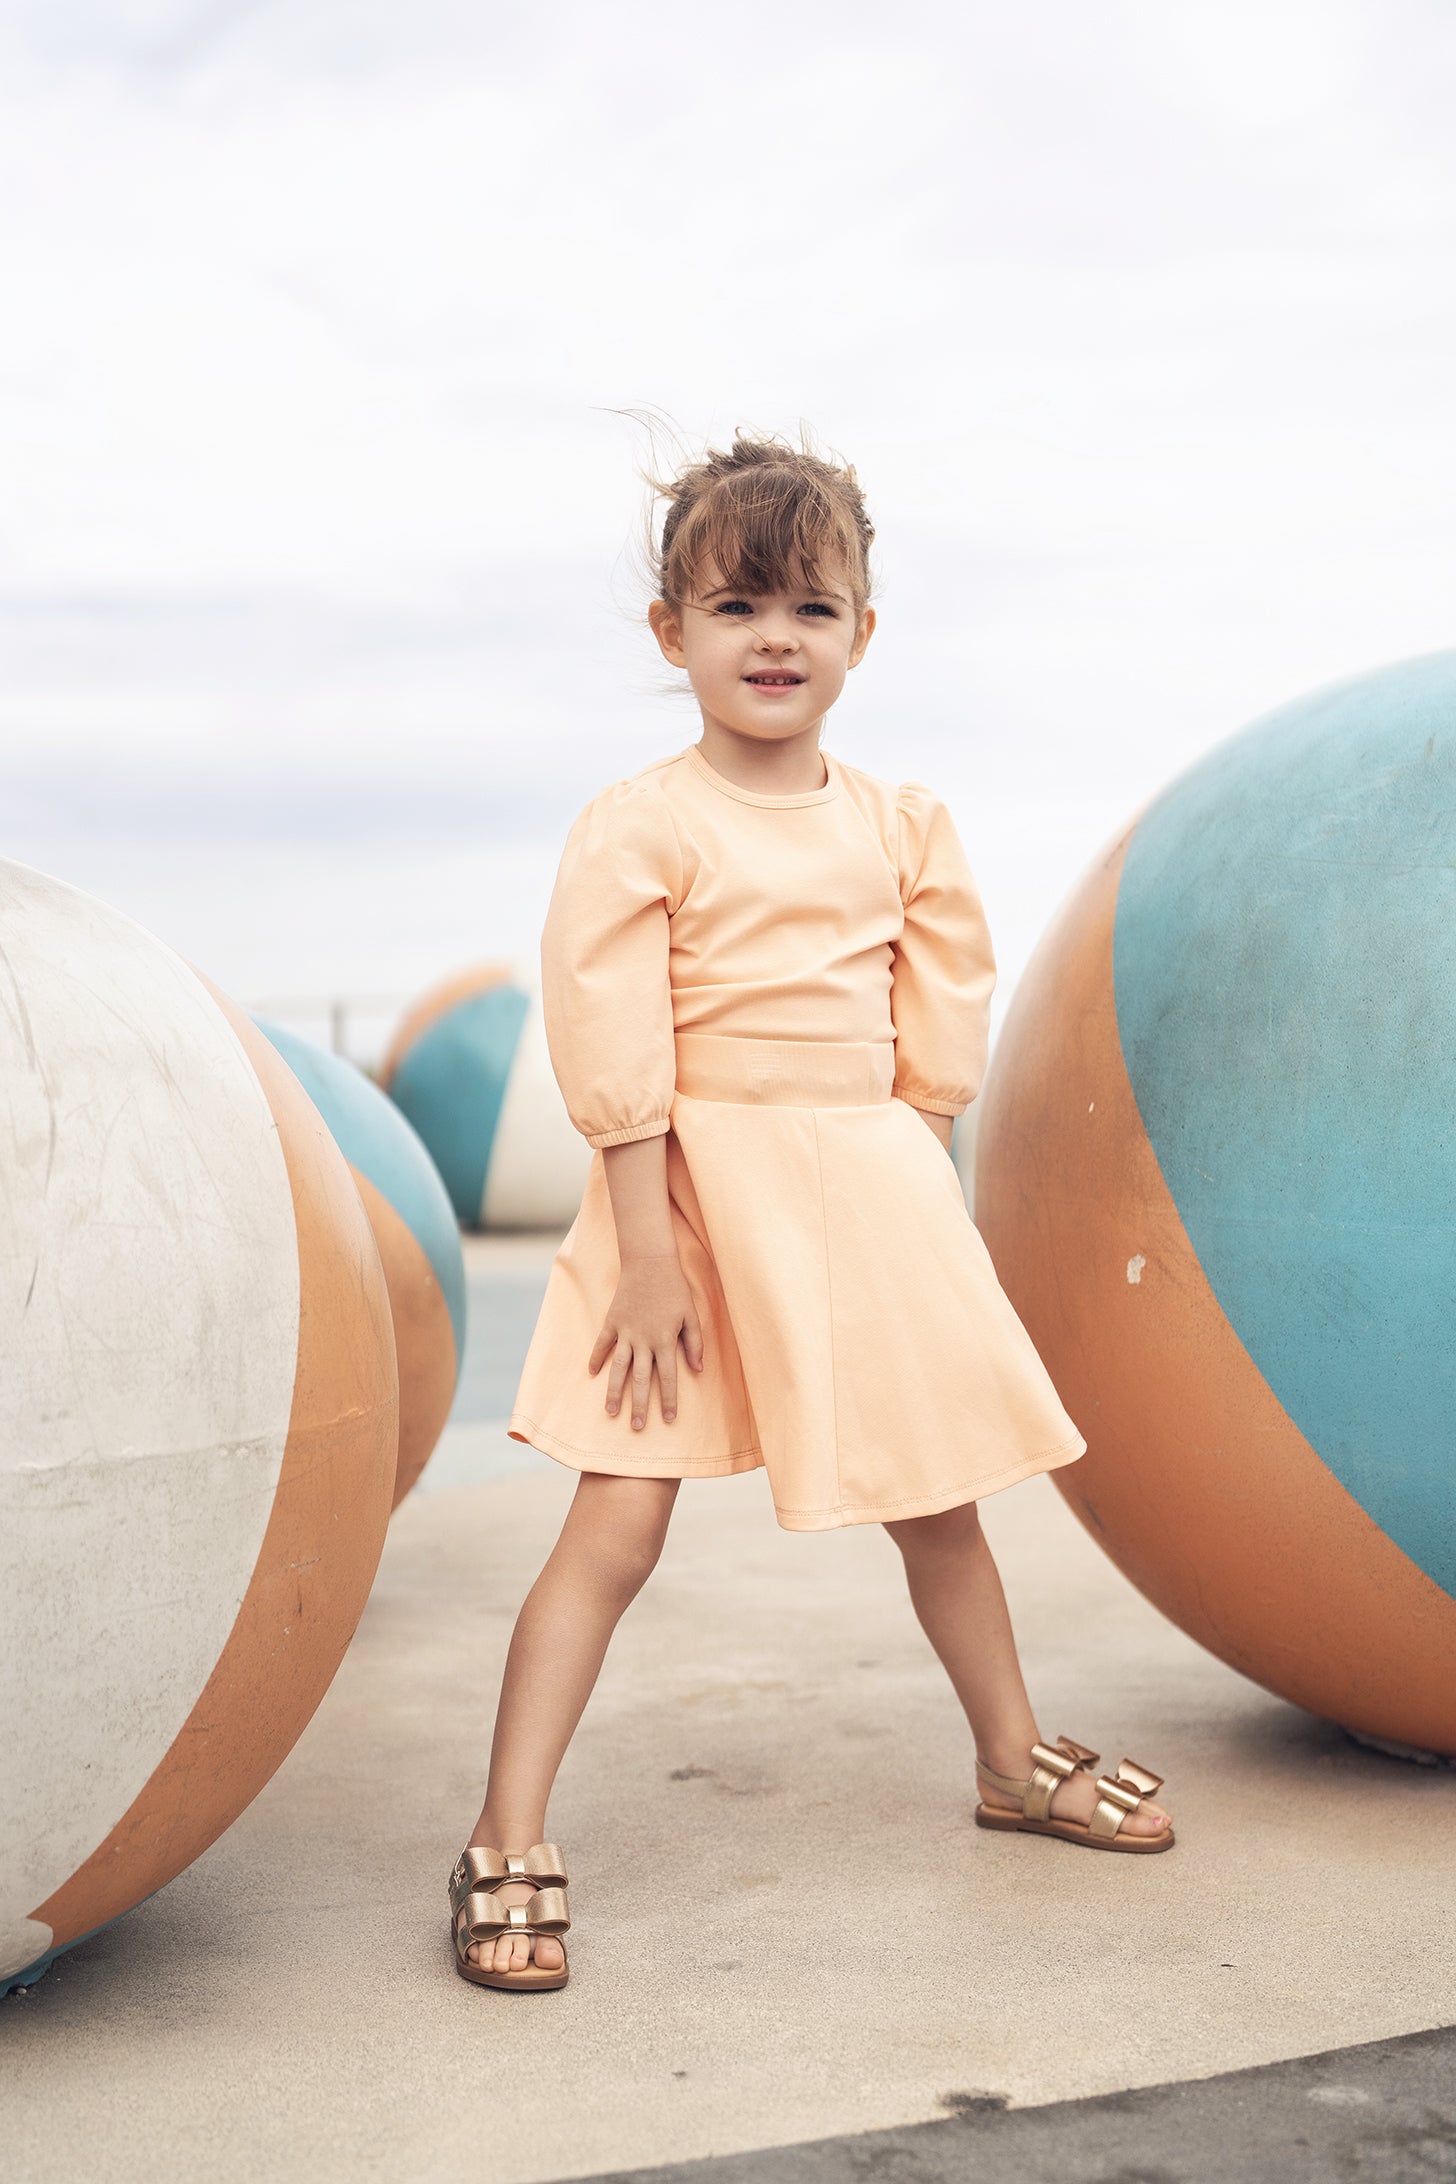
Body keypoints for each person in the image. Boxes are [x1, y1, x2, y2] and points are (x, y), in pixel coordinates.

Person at [448, 430, 1174, 1993]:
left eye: (812, 608)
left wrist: (891, 1212)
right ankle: (505, 1829)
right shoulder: (642, 825)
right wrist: (648, 1248)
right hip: (687, 1206)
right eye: (735, 606)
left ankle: (1007, 1755)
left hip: (863, 1190)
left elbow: (935, 1039)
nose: (775, 637)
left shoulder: (900, 823)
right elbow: (615, 1037)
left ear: (860, 632)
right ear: (672, 633)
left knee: (938, 1498)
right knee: (619, 1519)